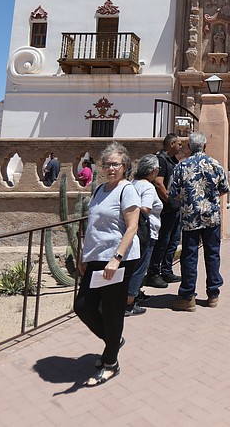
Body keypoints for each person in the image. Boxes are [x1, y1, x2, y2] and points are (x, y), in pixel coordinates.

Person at [73, 142, 140, 386]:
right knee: (83, 305)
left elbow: (132, 226)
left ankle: (111, 362)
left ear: (125, 166)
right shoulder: (100, 189)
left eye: (115, 164)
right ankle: (114, 341)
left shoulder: (127, 190)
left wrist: (117, 258)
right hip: (96, 257)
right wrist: (84, 254)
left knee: (112, 310)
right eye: (107, 164)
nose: (111, 168)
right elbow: (93, 226)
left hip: (117, 260)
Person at [167, 132, 230, 311]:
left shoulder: (181, 166)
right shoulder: (215, 164)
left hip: (189, 217)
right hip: (211, 217)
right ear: (205, 146)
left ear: (189, 147)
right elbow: (224, 188)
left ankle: (188, 296)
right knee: (212, 254)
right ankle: (213, 294)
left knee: (189, 256)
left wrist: (187, 198)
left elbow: (173, 192)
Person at [126, 154, 163, 315]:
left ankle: (135, 293)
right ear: (153, 171)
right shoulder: (147, 187)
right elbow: (145, 209)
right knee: (140, 268)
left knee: (133, 265)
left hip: (132, 232)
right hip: (145, 232)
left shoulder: (132, 183)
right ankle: (129, 303)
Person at [145, 133, 183, 288]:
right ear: (172, 143)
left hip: (175, 208)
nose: (181, 146)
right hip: (166, 209)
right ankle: (153, 273)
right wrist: (171, 201)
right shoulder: (161, 160)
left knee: (173, 241)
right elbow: (159, 183)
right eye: (179, 144)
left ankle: (166, 270)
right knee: (163, 241)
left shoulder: (173, 160)